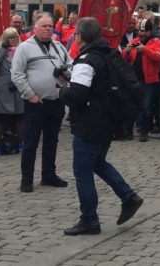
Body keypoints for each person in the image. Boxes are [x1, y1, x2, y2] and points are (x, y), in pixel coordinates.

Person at [58, 17, 143, 236]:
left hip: (89, 123)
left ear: (80, 36)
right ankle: (128, 196)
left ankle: (89, 220)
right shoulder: (107, 53)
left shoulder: (86, 59)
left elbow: (77, 95)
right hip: (107, 119)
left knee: (82, 172)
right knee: (98, 163)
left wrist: (61, 90)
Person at [11, 15, 71, 192]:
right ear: (34, 28)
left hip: (56, 100)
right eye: (44, 26)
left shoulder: (58, 46)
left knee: (52, 141)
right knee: (31, 142)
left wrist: (66, 76)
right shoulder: (25, 48)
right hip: (35, 102)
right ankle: (27, 179)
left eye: (50, 26)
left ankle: (48, 174)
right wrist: (30, 95)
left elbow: (71, 64)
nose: (48, 29)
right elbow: (17, 74)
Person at [123, 18, 160, 142]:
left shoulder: (157, 42)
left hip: (149, 81)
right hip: (134, 80)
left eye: (145, 31)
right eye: (141, 30)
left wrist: (144, 49)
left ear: (150, 31)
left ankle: (144, 132)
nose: (142, 33)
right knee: (131, 107)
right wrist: (127, 50)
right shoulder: (135, 40)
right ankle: (128, 132)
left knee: (146, 107)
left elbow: (158, 58)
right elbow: (124, 58)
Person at [0, 28, 25, 155]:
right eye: (9, 38)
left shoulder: (23, 50)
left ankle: (21, 144)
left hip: (18, 88)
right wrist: (3, 50)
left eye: (15, 37)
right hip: (2, 89)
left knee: (19, 117)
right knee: (0, 118)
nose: (13, 40)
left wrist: (19, 82)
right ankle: (0, 145)